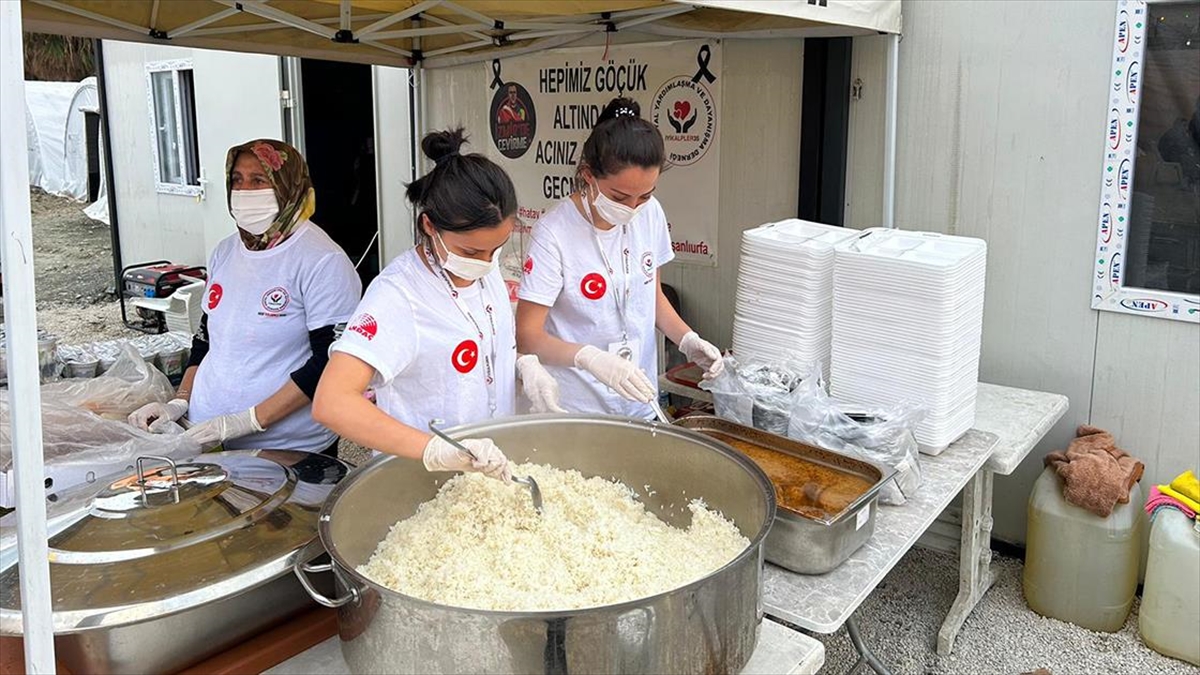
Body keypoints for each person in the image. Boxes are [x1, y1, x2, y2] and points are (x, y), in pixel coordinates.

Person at [312, 129, 560, 481]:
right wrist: (436, 450)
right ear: (429, 225)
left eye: (497, 248)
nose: (486, 263)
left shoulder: (484, 272)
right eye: (472, 252)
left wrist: (522, 367)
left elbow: (474, 353)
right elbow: (332, 401)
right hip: (420, 480)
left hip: (491, 475)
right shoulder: (398, 295)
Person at [129, 139, 362, 454]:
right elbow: (205, 339)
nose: (244, 191)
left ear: (286, 186)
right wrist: (180, 402)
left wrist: (249, 421)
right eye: (237, 180)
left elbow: (330, 361)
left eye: (258, 180)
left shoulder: (322, 261)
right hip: (206, 433)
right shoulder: (225, 252)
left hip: (286, 448)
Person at [515, 97, 725, 419]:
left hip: (640, 401)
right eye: (619, 197)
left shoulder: (650, 214)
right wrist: (589, 357)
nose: (632, 207)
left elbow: (650, 297)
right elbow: (528, 336)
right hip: (577, 408)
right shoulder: (553, 233)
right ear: (588, 175)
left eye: (645, 195)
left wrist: (687, 340)